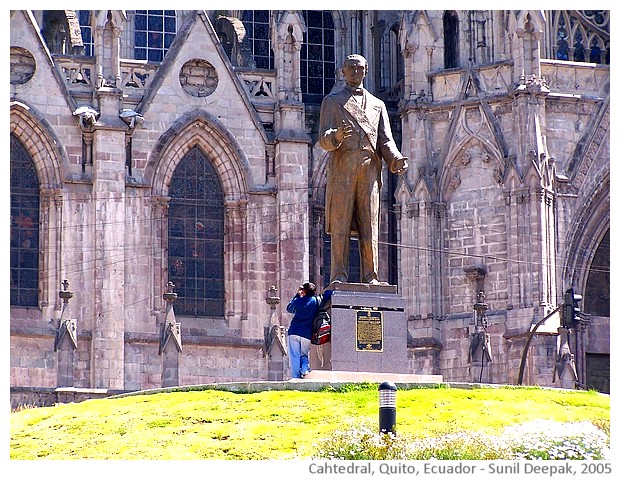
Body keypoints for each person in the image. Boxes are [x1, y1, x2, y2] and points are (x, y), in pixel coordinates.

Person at [319, 54, 408, 285]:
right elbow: (323, 139)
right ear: (343, 72)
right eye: (351, 68)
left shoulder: (378, 105)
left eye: (359, 68)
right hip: (343, 170)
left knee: (370, 226)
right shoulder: (332, 101)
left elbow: (385, 140)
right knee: (341, 225)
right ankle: (338, 275)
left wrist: (395, 159)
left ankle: (372, 276)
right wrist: (335, 136)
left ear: (366, 71)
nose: (355, 72)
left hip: (369, 171)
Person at [286, 282, 333, 379]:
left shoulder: (299, 301)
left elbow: (289, 308)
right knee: (304, 354)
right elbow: (328, 294)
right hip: (307, 333)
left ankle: (295, 377)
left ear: (304, 291)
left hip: (294, 332)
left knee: (295, 355)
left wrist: (297, 295)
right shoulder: (316, 301)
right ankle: (304, 369)